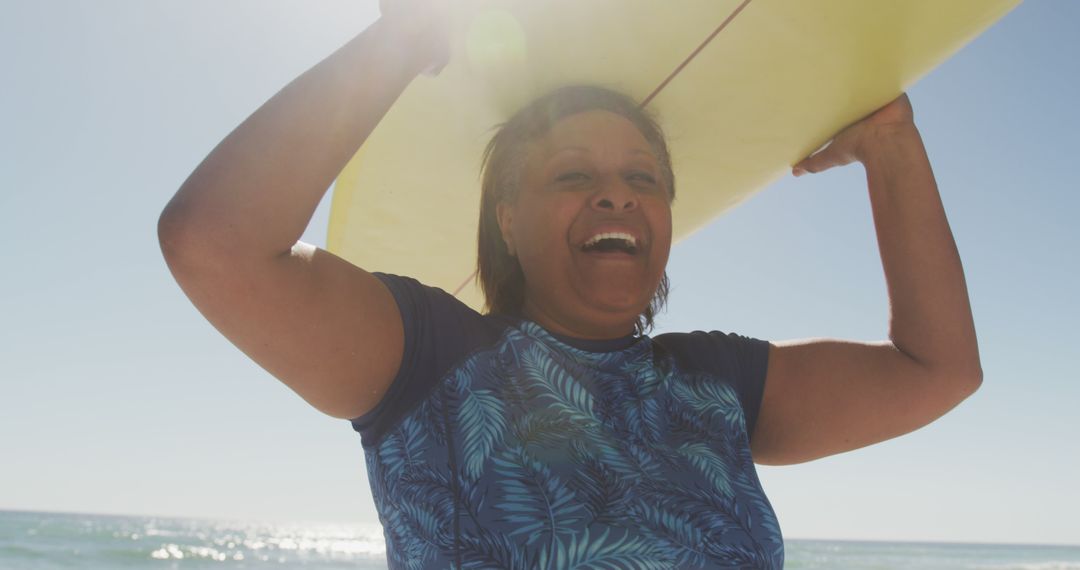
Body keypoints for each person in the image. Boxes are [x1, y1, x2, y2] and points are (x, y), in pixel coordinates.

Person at [157, 3, 981, 569]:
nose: (616, 192)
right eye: (573, 173)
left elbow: (937, 369)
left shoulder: (712, 385)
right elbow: (216, 242)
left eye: (642, 175)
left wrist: (891, 145)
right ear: (507, 219)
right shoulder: (424, 358)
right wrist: (407, 37)